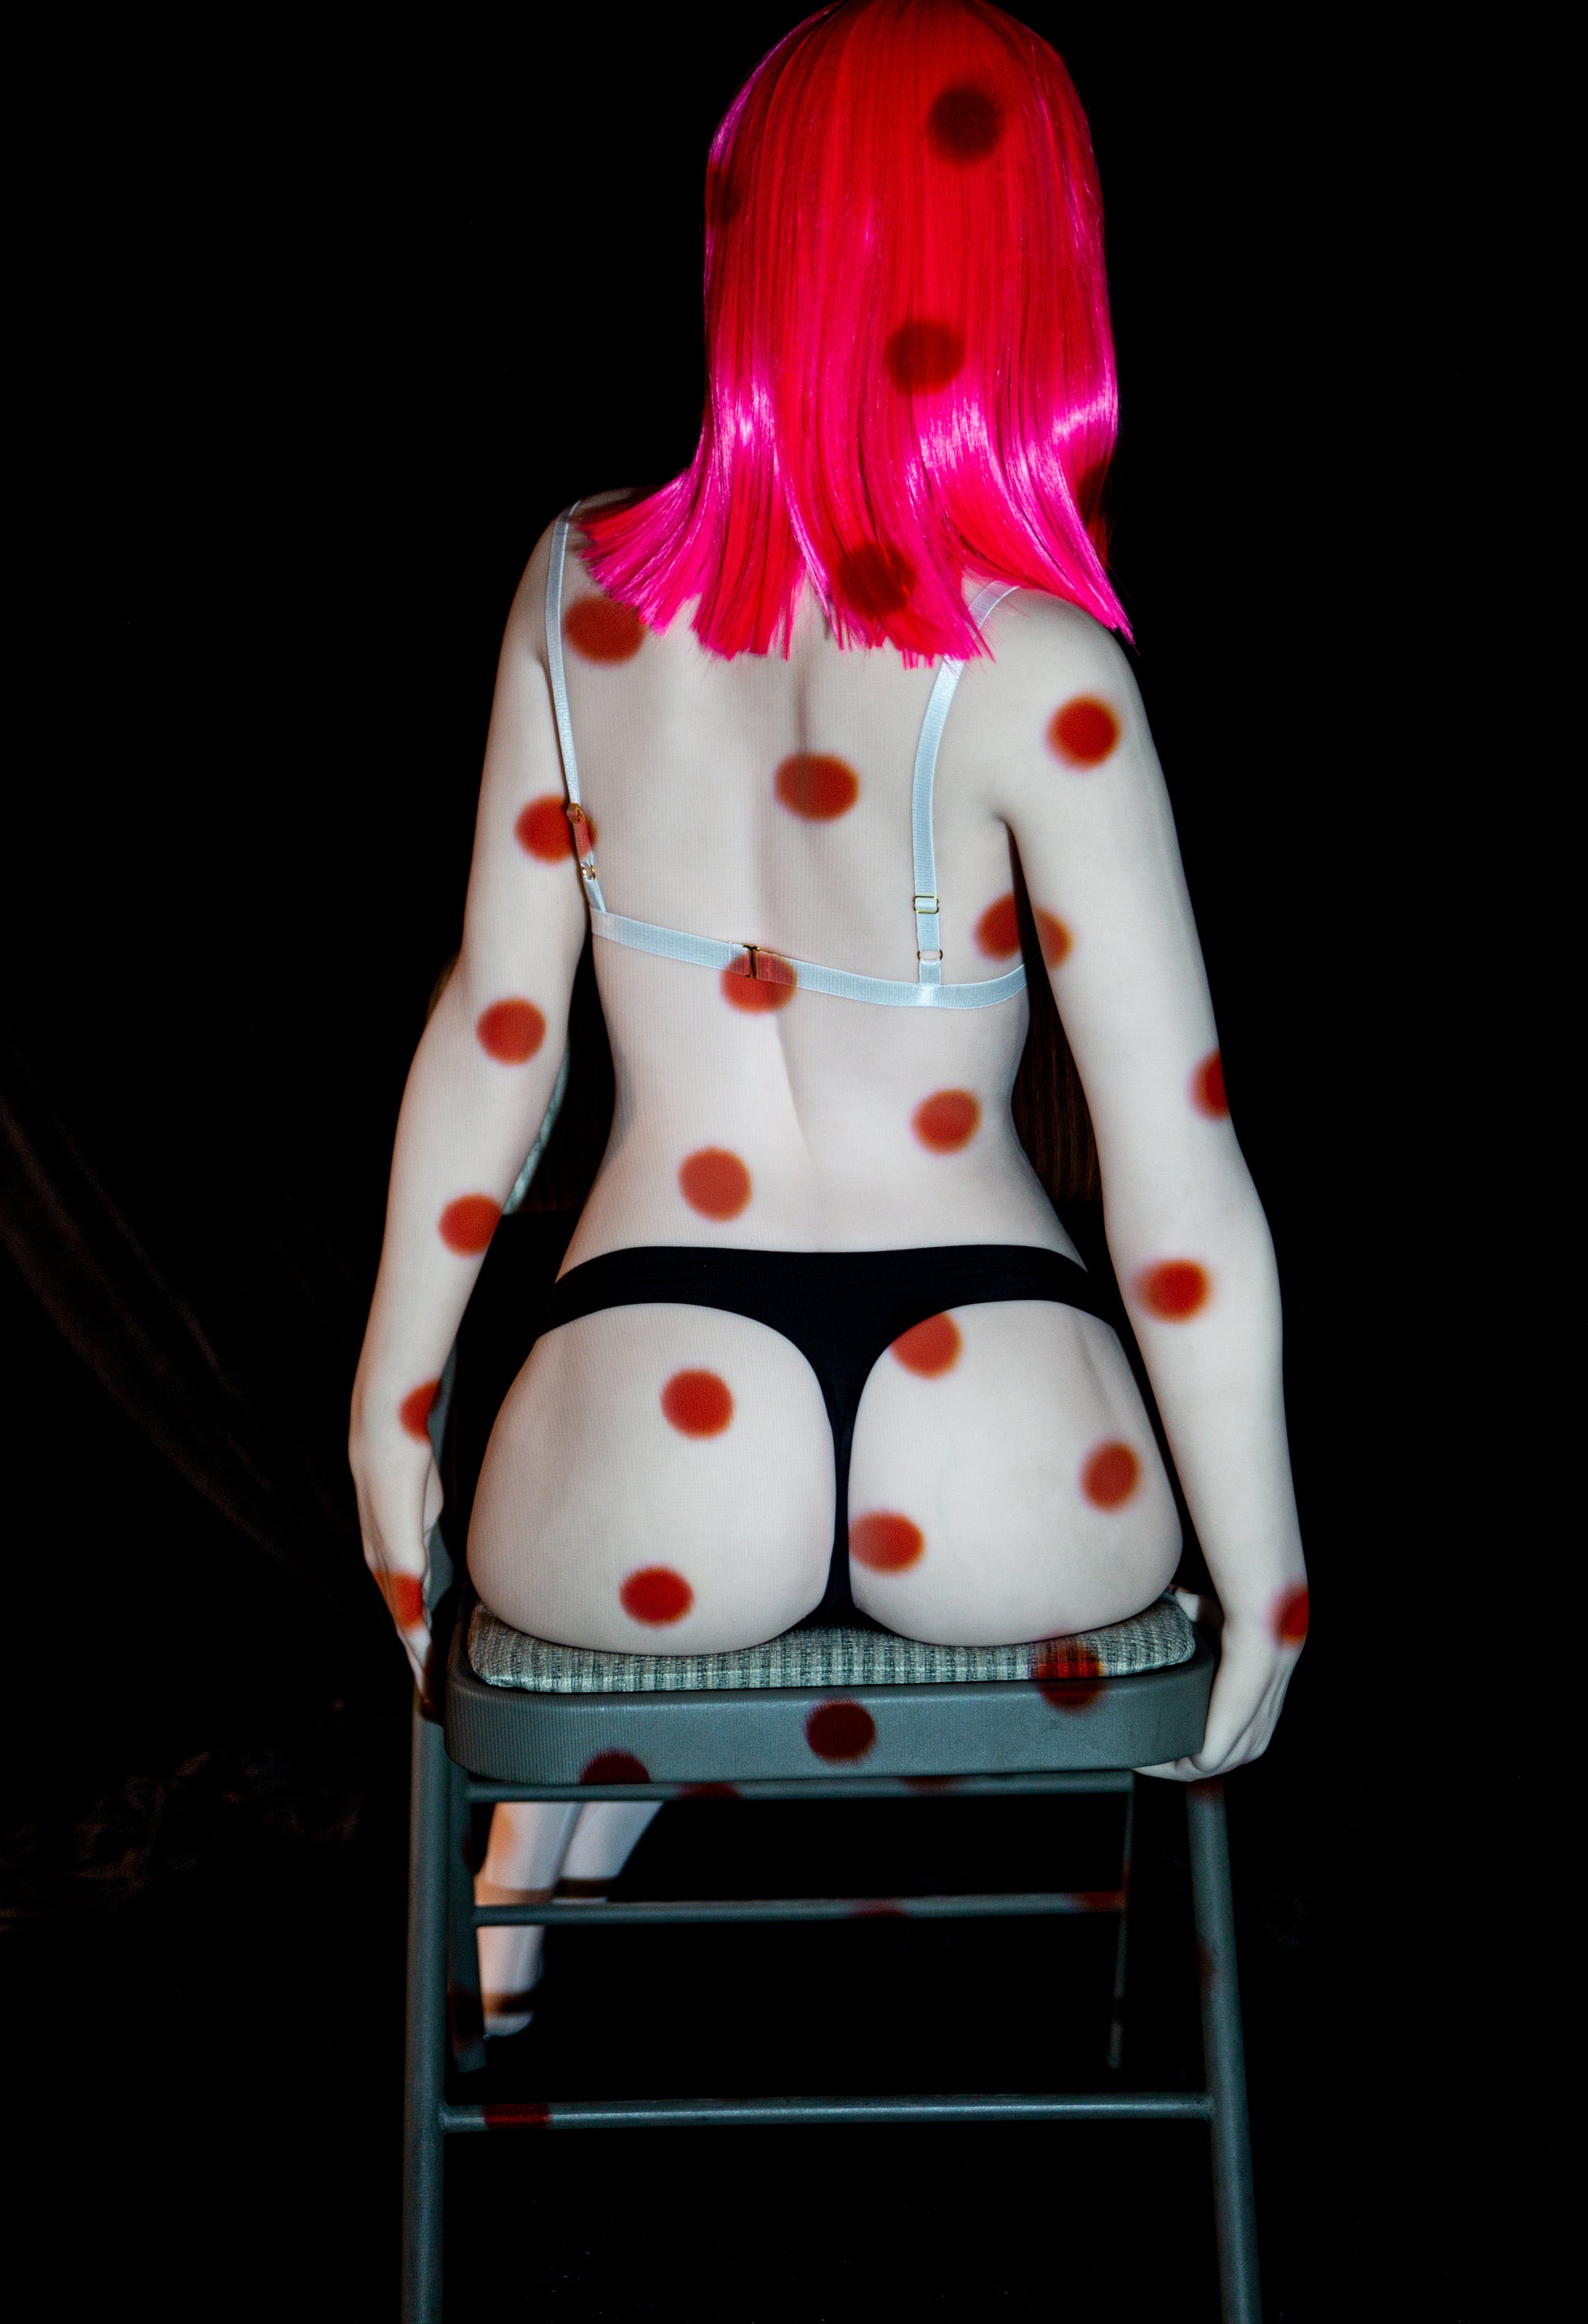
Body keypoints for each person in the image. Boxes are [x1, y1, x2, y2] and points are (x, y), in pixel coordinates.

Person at [349, 0, 1307, 2034]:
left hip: (649, 1421)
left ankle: (533, 1891)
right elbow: (1175, 1169)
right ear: (1032, 272)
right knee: (1095, 1462)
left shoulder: (580, 591)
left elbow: (497, 1037)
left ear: (751, 247)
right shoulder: (1044, 673)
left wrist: (389, 1405)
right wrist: (1266, 1575)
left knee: (626, 1607)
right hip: (997, 1447)